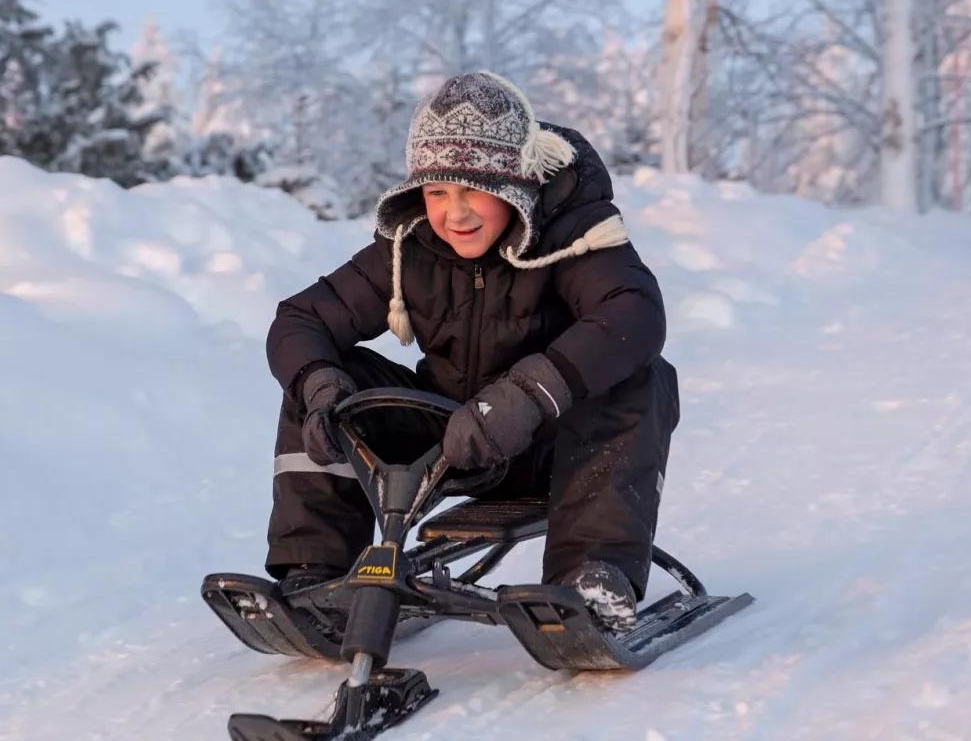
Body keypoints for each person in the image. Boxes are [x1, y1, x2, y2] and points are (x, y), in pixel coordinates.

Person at [263, 71, 676, 632]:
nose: (454, 214)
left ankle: (590, 577)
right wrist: (319, 387)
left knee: (640, 375)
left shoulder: (574, 236)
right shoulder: (413, 245)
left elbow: (633, 312)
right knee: (326, 380)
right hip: (450, 441)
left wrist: (528, 395)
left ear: (514, 185)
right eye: (437, 193)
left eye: (473, 190)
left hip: (550, 446)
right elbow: (301, 319)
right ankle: (316, 574)